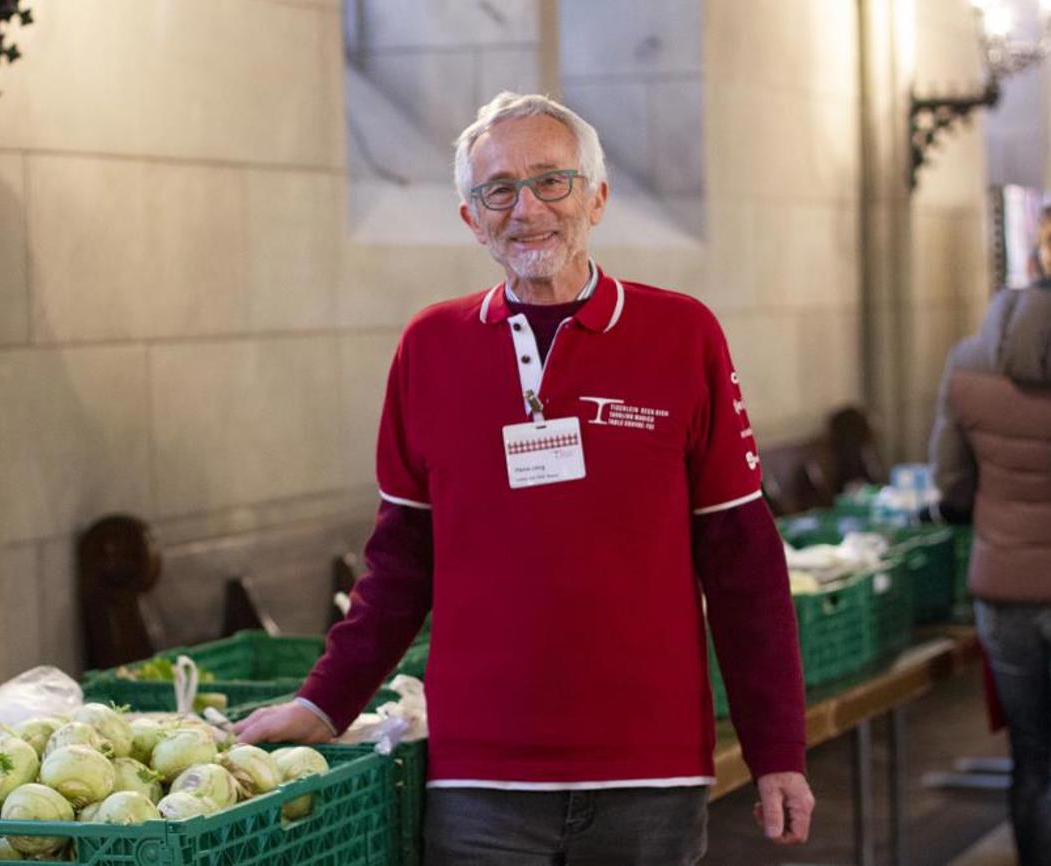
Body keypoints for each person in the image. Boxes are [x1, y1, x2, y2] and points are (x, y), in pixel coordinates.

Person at [235, 92, 814, 864]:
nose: (526, 208)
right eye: (497, 189)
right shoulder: (430, 347)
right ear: (471, 218)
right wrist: (324, 701)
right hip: (481, 776)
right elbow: (401, 562)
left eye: (552, 181)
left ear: (597, 198)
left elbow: (744, 562)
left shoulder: (682, 335)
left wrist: (777, 748)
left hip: (649, 767)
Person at [929, 208, 1051, 866]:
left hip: (1005, 593)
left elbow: (949, 485)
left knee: (1033, 765)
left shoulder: (971, 360)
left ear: (1033, 257)